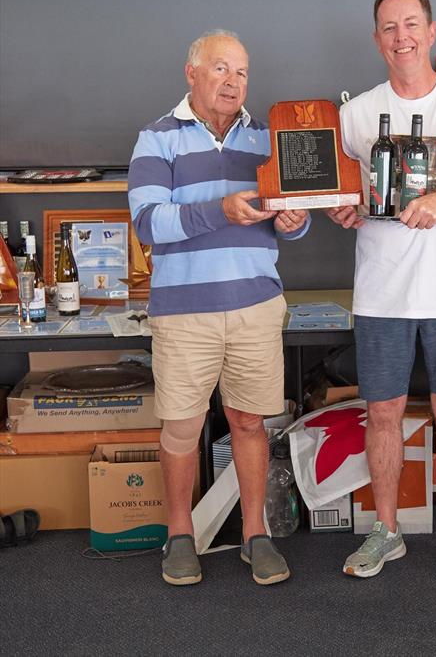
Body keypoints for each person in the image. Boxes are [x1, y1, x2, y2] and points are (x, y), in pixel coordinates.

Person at [328, 0, 436, 590]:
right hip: (381, 292)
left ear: (431, 31)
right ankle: (387, 530)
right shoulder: (354, 115)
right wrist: (342, 210)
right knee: (382, 413)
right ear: (377, 39)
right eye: (388, 28)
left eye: (410, 24)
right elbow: (345, 194)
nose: (401, 36)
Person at [128, 29, 310, 586]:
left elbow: (291, 217)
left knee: (250, 425)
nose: (233, 81)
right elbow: (148, 223)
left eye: (242, 72)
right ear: (192, 73)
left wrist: (294, 222)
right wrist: (219, 211)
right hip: (184, 313)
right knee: (182, 430)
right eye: (221, 69)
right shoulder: (156, 138)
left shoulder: (268, 139)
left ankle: (255, 534)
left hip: (255, 305)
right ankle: (179, 535)